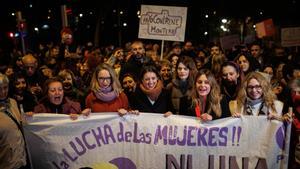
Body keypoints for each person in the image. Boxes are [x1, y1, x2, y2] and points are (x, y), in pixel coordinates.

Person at [0, 73, 29, 169]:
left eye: (5, 88)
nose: (2, 92)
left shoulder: (13, 102)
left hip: (22, 160)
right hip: (7, 164)